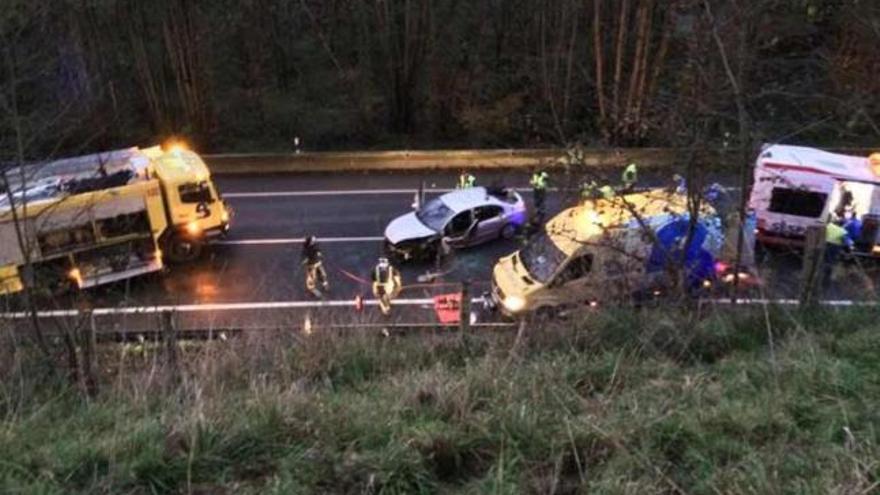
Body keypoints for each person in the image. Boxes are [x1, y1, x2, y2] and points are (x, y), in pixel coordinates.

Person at [824, 216, 852, 286]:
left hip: (824, 245)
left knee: (823, 259)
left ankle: (820, 272)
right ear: (842, 224)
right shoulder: (842, 231)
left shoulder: (829, 226)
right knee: (831, 261)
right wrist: (849, 248)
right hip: (834, 247)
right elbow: (847, 242)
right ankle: (827, 277)